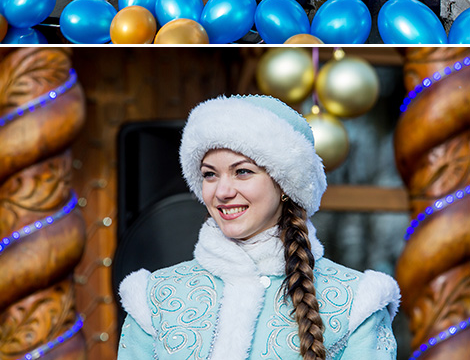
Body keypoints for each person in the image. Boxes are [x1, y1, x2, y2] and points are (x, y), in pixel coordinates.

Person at [118, 93, 400, 360]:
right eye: (209, 174)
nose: (223, 191)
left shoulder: (357, 302)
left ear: (285, 184)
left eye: (242, 172)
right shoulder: (154, 297)